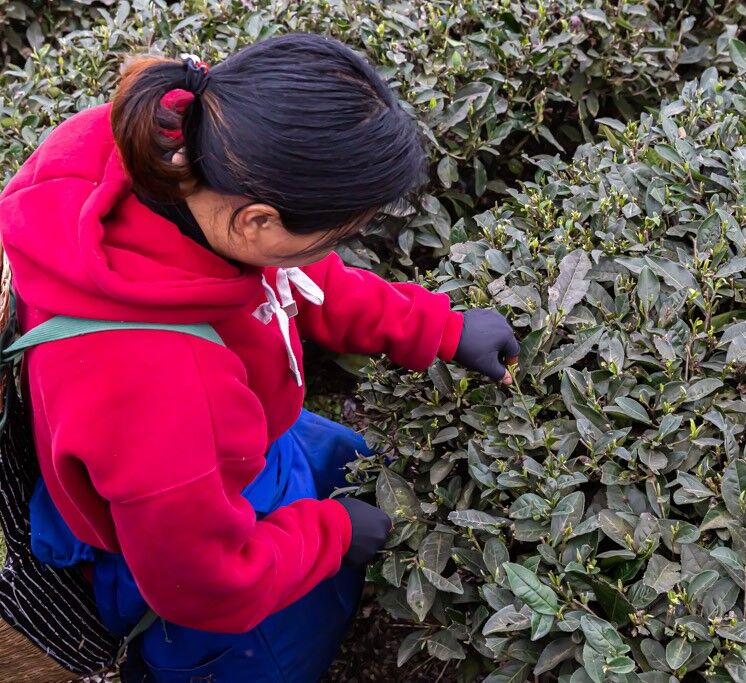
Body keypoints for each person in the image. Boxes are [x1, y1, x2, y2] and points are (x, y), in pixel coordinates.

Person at [0, 33, 518, 682]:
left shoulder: (167, 152)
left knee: (350, 467)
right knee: (280, 652)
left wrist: (436, 328)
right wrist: (329, 536)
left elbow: (290, 273)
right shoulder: (162, 392)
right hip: (185, 545)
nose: (337, 248)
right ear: (257, 222)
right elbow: (204, 585)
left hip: (227, 446)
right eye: (335, 234)